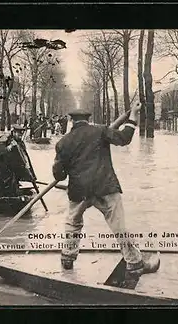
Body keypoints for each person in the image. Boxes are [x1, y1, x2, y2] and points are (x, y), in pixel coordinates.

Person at [52, 104, 160, 278]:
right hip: (105, 187)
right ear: (87, 120)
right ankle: (134, 262)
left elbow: (59, 175)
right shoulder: (100, 131)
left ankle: (68, 257)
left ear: (72, 121)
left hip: (78, 191)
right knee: (118, 225)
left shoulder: (62, 143)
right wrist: (133, 116)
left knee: (73, 224)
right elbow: (124, 138)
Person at [0, 125, 36, 197]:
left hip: (12, 169)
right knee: (3, 186)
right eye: (18, 134)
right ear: (14, 132)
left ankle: (13, 194)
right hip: (0, 168)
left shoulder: (20, 142)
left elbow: (24, 156)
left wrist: (29, 172)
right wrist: (10, 146)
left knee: (13, 184)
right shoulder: (4, 139)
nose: (20, 136)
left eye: (21, 135)